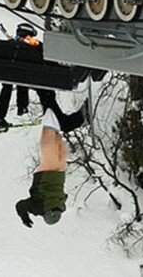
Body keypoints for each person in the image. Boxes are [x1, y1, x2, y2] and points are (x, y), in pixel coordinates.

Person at [15, 90, 89, 227]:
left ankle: (46, 93)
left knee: (53, 125)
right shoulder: (40, 207)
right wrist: (25, 217)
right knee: (50, 125)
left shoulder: (60, 204)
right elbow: (20, 206)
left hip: (60, 168)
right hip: (48, 168)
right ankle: (78, 119)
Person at [0, 23, 38, 131]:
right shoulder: (31, 43)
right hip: (21, 72)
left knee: (7, 88)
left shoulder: (12, 43)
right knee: (22, 80)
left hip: (8, 71)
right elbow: (39, 47)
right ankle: (22, 106)